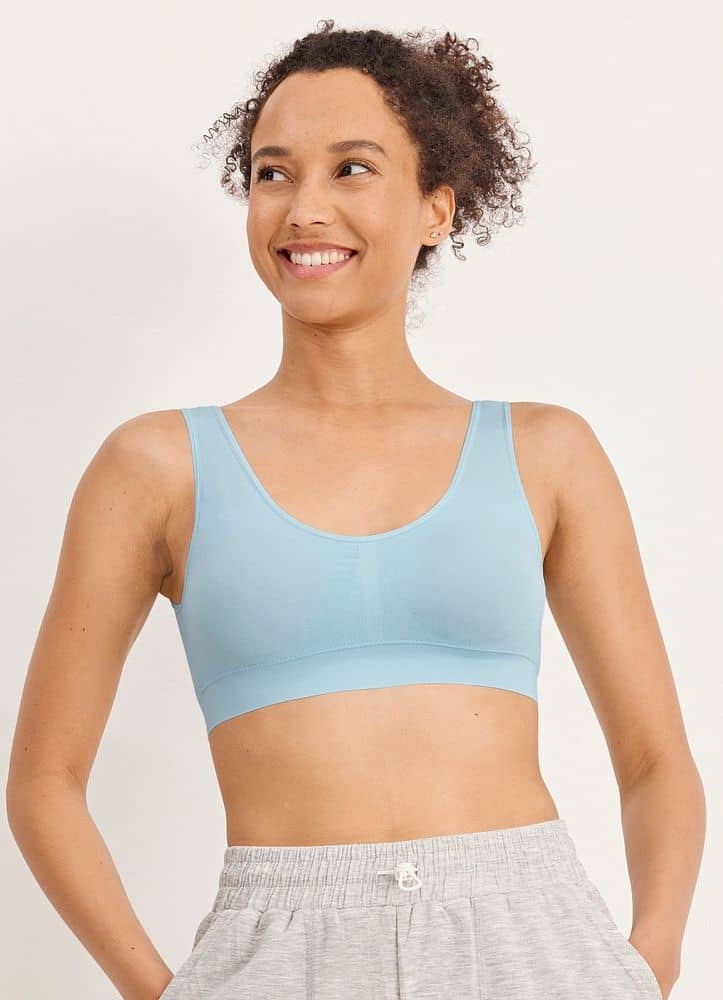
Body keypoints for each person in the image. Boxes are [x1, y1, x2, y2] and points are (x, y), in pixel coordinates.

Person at [6, 19, 705, 1000]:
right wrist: (160, 993)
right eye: (273, 173)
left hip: (536, 942)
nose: (304, 209)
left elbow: (654, 760)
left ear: (435, 209)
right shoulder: (157, 469)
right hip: (278, 951)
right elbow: (43, 781)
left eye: (353, 169)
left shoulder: (546, 454)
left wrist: (645, 966)